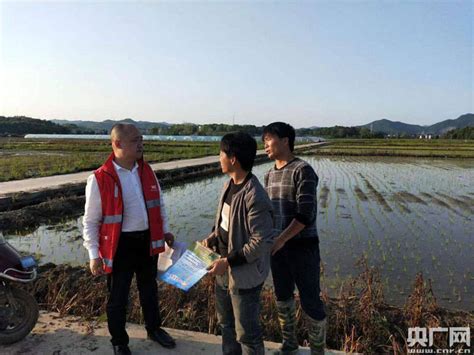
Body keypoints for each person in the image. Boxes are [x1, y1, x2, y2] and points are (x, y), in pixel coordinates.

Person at [82, 123, 176, 355]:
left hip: (147, 242)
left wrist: (164, 231)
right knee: (118, 297)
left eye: (141, 139)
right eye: (135, 140)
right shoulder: (99, 178)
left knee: (149, 290)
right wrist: (94, 255)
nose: (140, 144)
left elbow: (158, 205)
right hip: (119, 246)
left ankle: (154, 329)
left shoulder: (147, 170)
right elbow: (91, 221)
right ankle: (119, 342)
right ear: (117, 144)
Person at [202, 132, 275, 355]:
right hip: (223, 270)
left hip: (243, 275)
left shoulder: (255, 196)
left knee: (247, 334)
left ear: (233, 158)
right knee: (226, 324)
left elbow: (261, 241)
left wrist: (228, 261)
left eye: (221, 153)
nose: (219, 158)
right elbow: (223, 224)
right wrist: (212, 238)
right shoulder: (229, 186)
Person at [262, 122, 327, 355]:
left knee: (310, 301)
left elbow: (305, 214)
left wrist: (282, 239)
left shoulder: (303, 170)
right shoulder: (268, 175)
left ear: (285, 140)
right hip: (277, 249)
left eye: (268, 139)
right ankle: (289, 345)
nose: (265, 145)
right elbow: (266, 214)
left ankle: (317, 351)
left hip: (303, 248)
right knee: (282, 298)